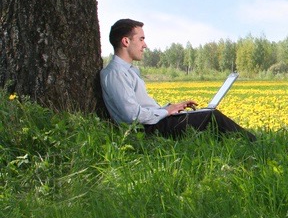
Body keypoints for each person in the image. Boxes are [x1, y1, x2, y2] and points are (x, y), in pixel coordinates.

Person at [100, 18, 256, 141]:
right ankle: (254, 144)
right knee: (211, 116)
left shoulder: (128, 71)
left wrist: (171, 108)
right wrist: (167, 112)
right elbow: (132, 116)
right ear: (126, 41)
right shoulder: (115, 73)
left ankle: (241, 143)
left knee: (207, 115)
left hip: (154, 123)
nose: (145, 45)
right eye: (141, 39)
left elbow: (142, 108)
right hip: (147, 129)